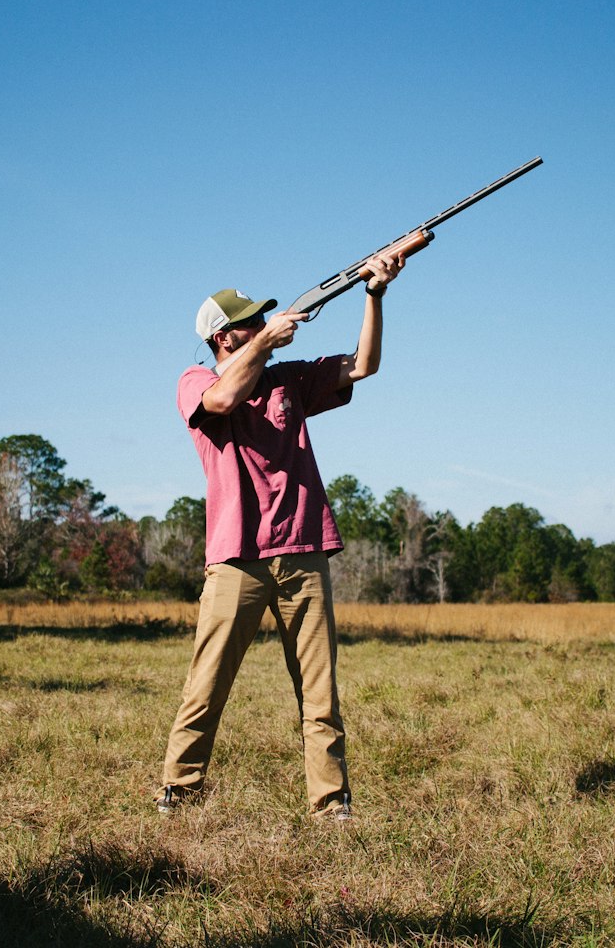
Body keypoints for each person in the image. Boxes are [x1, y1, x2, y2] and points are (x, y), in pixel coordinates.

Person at [158, 250, 406, 820]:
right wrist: (265, 342)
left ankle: (331, 803)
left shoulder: (288, 379)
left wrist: (375, 294)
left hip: (304, 551)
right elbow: (221, 400)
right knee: (208, 683)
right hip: (236, 558)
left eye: (264, 318)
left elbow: (363, 366)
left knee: (320, 693)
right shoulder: (195, 379)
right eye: (249, 321)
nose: (263, 322)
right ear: (224, 338)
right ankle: (180, 789)